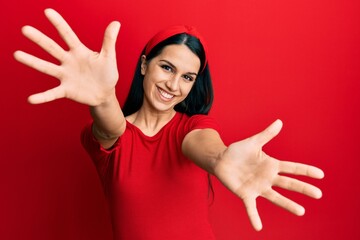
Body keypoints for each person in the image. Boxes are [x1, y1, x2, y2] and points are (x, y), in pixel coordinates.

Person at [14, 8, 324, 240]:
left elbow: (206, 145)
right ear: (145, 64)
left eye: (187, 77)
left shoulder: (192, 127)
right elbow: (111, 128)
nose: (174, 85)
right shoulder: (114, 138)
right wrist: (102, 97)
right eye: (167, 67)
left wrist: (220, 158)